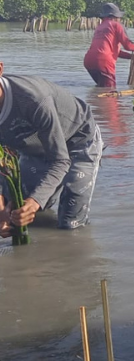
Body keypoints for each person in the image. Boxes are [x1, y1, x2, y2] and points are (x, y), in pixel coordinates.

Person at [0, 62, 103, 236]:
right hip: (33, 148)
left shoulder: (32, 99)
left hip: (78, 140)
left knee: (70, 225)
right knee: (16, 209)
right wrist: (2, 209)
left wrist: (34, 202)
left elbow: (60, 160)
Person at [83, 3, 134, 89]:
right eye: (119, 17)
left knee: (101, 89)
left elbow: (114, 51)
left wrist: (132, 57)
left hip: (89, 62)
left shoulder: (99, 27)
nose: (120, 20)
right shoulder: (116, 25)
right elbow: (128, 46)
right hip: (103, 63)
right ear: (114, 17)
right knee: (110, 92)